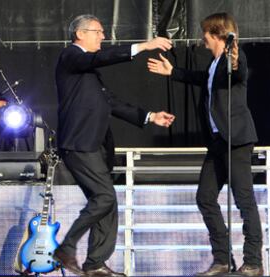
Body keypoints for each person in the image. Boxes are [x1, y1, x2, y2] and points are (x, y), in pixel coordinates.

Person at [53, 14, 175, 277]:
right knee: (105, 197)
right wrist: (143, 46)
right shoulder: (71, 57)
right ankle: (66, 247)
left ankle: (95, 263)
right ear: (80, 34)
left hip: (94, 145)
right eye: (98, 31)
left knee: (107, 203)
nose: (102, 36)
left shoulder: (88, 71)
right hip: (78, 143)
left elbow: (111, 102)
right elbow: (98, 58)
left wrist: (150, 116)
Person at [147, 12, 263, 276]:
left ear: (216, 34)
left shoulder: (234, 58)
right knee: (205, 197)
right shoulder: (213, 64)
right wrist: (173, 72)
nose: (202, 40)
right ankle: (222, 260)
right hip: (218, 142)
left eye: (205, 34)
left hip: (236, 140)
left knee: (244, 201)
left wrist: (233, 57)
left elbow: (238, 71)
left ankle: (253, 262)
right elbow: (205, 80)